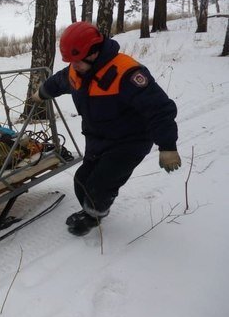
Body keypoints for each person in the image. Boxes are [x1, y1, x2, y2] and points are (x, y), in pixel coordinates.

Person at [32, 21, 181, 236]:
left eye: (77, 61)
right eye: (71, 61)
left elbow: (159, 109)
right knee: (81, 181)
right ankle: (93, 209)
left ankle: (93, 217)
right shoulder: (77, 70)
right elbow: (59, 81)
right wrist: (42, 93)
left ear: (93, 53)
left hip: (130, 141)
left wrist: (167, 146)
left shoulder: (127, 73)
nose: (73, 66)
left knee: (100, 186)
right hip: (97, 138)